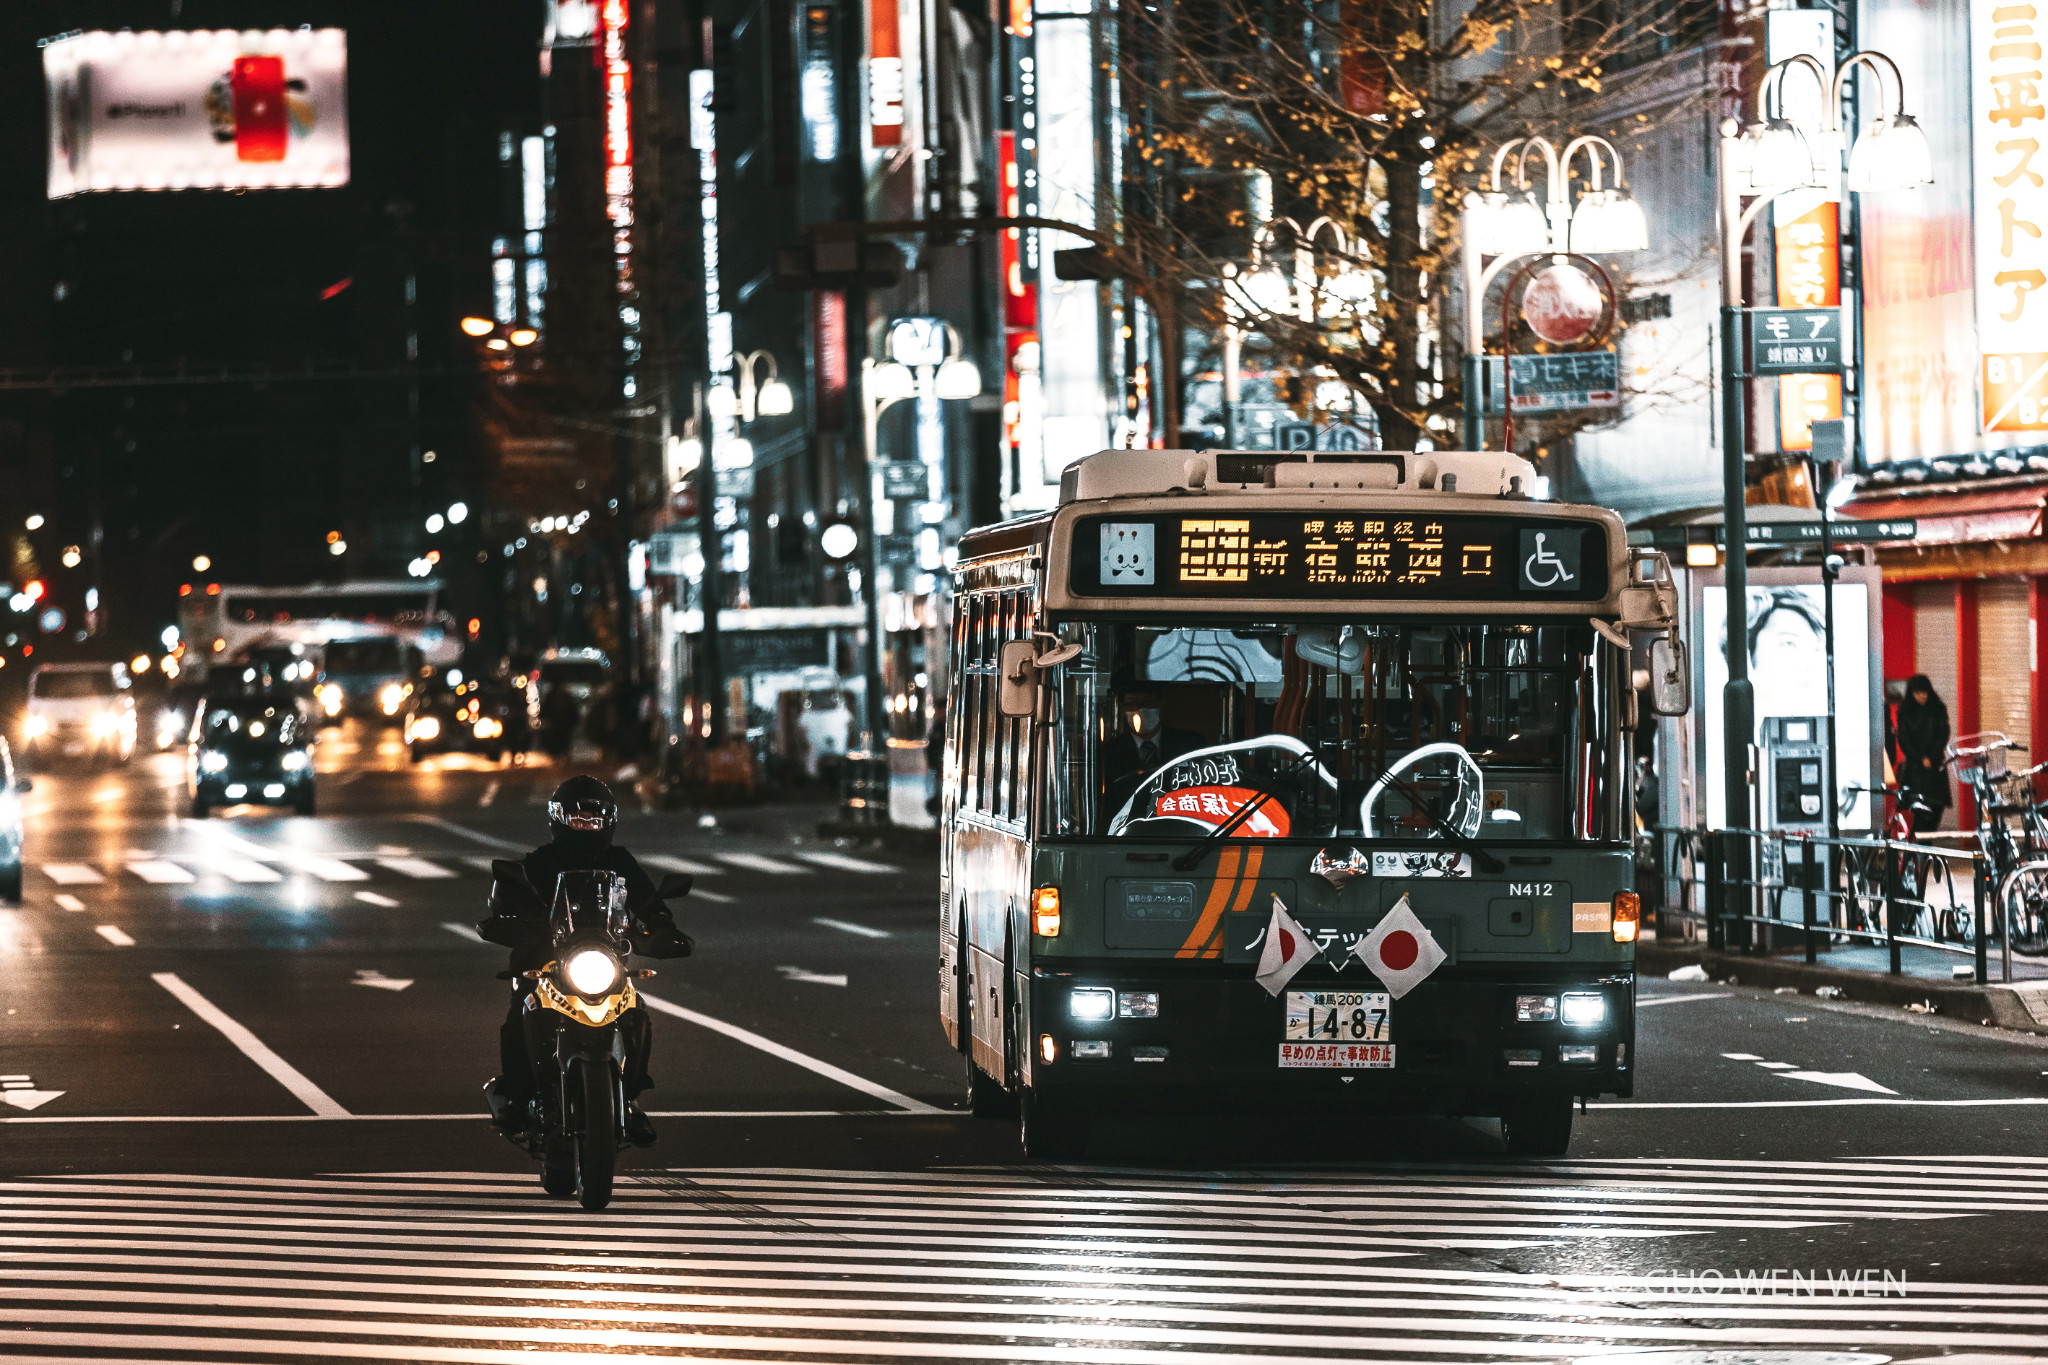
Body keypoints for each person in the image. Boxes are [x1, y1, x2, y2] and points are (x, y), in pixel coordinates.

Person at [482, 775, 692, 1145]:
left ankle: (628, 1099)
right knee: (522, 1010)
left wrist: (661, 927)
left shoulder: (619, 861)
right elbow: (509, 902)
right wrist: (511, 924)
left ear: (608, 822)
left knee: (635, 1011)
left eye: (594, 820)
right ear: (559, 820)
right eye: (578, 820)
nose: (587, 826)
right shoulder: (540, 862)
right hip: (546, 959)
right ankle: (515, 1095)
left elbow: (646, 900)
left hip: (604, 956)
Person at [1893, 674, 1953, 832]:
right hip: (1915, 770)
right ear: (1911, 693)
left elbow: (1943, 734)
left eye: (1924, 692)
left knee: (1936, 809)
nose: (1922, 696)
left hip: (1935, 768)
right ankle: (1919, 850)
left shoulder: (1938, 709)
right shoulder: (1905, 712)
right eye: (1918, 693)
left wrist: (1931, 757)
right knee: (1920, 813)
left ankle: (1924, 848)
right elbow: (1904, 740)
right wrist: (1921, 758)